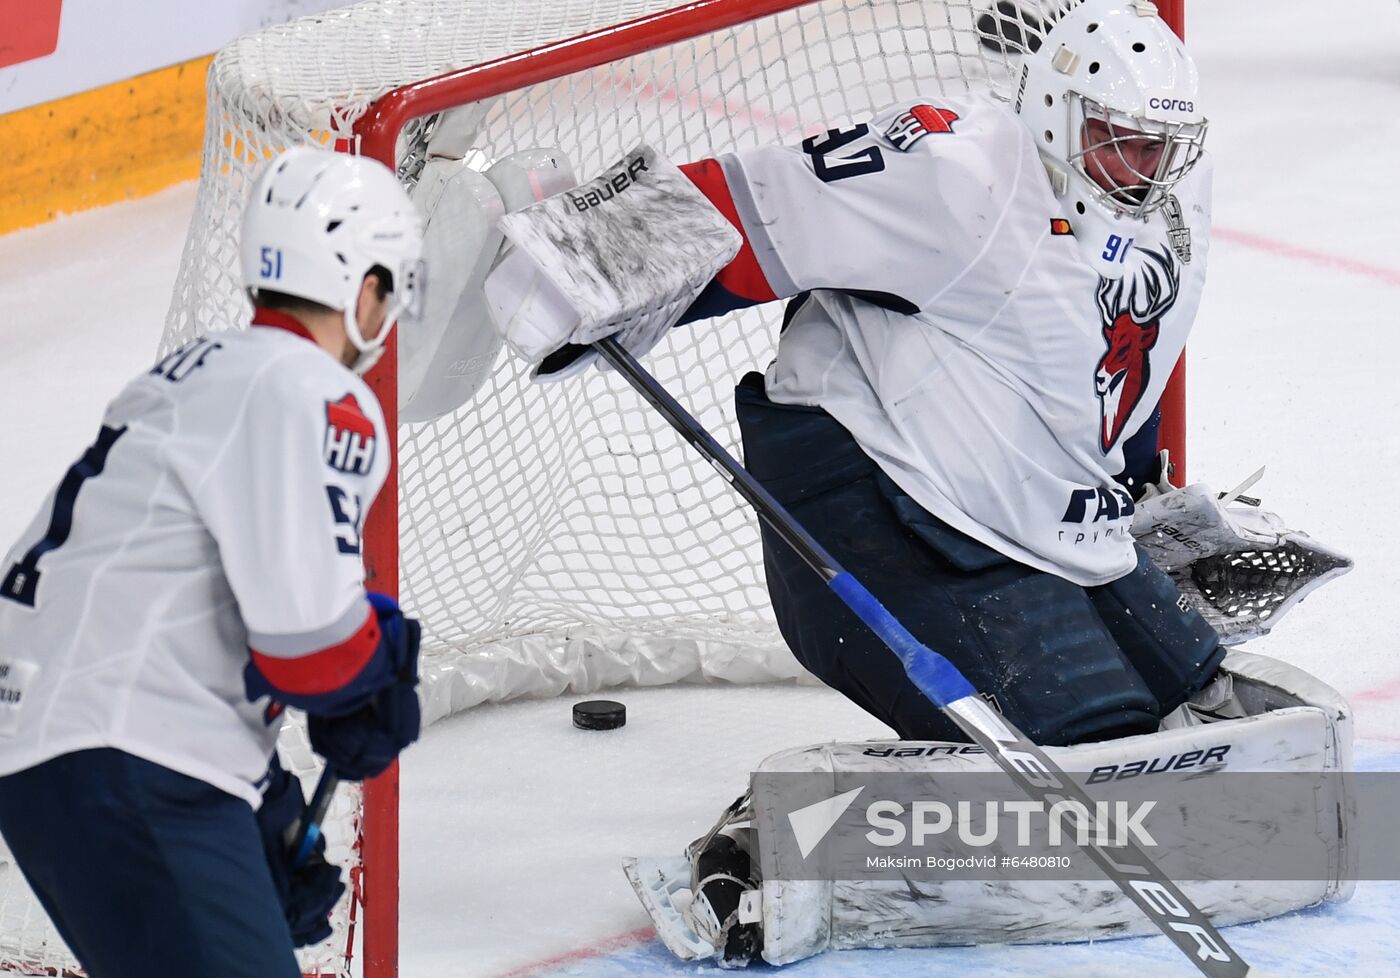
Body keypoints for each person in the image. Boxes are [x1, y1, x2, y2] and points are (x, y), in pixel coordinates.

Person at [490, 0, 1220, 749]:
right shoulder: (955, 175)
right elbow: (754, 209)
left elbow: (1121, 360)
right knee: (1082, 739)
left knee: (1191, 694)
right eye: (1112, 140)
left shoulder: (1171, 211)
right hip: (874, 495)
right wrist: (580, 258)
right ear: (1051, 113)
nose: (1138, 170)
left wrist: (1136, 490)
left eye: (1158, 148)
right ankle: (801, 830)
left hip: (1024, 510)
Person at [0, 147, 425, 977]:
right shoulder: (317, 392)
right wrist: (373, 685)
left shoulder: (188, 375)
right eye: (389, 286)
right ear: (359, 282)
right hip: (126, 755)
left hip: (58, 745)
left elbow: (174, 600)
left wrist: (259, 802)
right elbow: (314, 650)